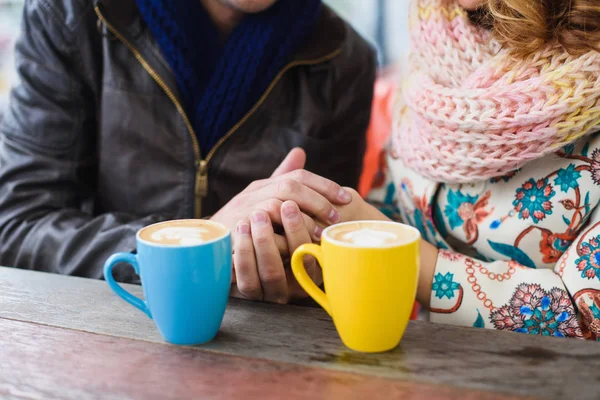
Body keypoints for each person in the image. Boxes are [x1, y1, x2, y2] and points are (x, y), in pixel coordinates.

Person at [243, 0, 600, 339]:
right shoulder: (437, 44)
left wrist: (397, 253)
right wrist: (324, 254)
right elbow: (391, 206)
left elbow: (587, 321)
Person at [0, 0, 376, 304]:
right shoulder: (73, 15)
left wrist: (307, 275)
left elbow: (331, 257)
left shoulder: (342, 59)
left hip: (261, 352)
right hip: (108, 329)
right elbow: (17, 227)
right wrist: (194, 247)